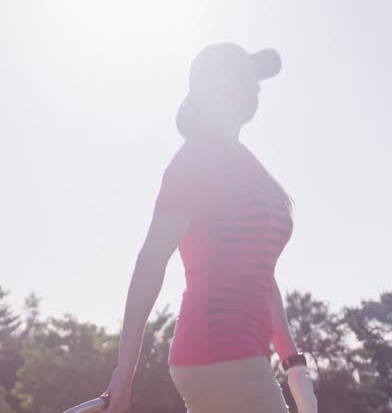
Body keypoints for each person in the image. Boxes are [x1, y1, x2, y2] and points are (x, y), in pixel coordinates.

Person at [102, 43, 317, 413]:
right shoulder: (195, 160)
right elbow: (150, 262)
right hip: (217, 352)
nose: (258, 87)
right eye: (247, 77)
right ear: (217, 87)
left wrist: (293, 363)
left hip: (241, 355)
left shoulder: (248, 164)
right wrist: (125, 371)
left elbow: (262, 274)